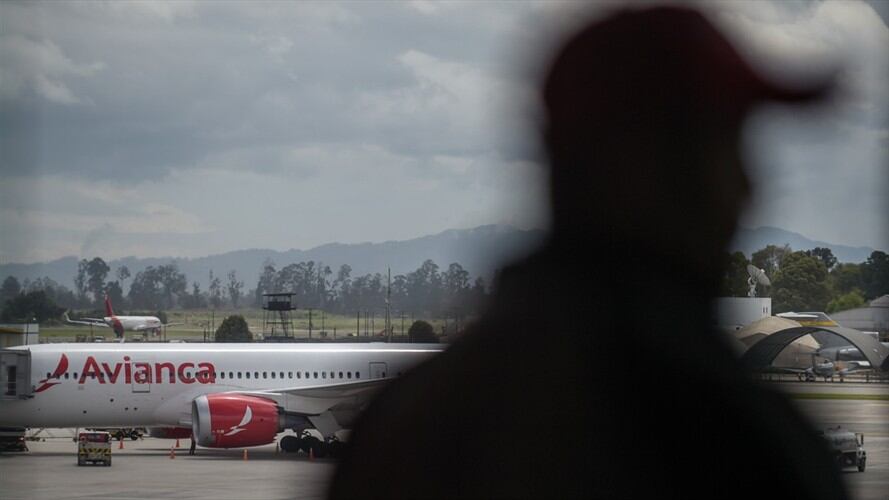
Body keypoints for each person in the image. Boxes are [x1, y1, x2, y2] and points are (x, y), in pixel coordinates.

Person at [329, 6, 847, 499]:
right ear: (645, 165)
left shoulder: (408, 423)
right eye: (722, 146)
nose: (746, 184)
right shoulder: (735, 438)